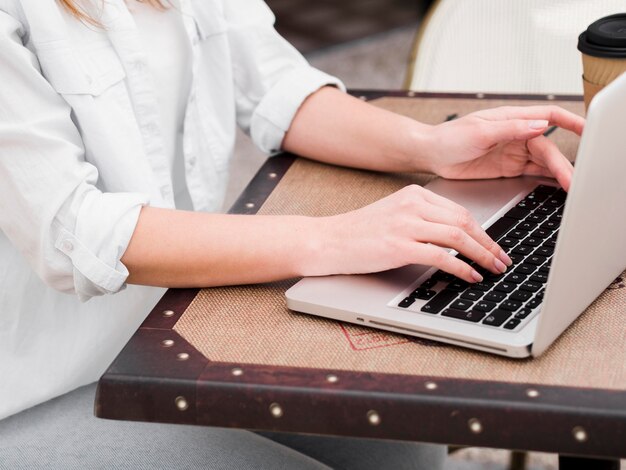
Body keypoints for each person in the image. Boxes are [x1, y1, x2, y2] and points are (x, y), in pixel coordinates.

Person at [0, 0, 584, 468]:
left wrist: (427, 146)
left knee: (398, 444)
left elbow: (275, 86)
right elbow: (74, 232)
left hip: (173, 327)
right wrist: (335, 239)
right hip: (42, 390)